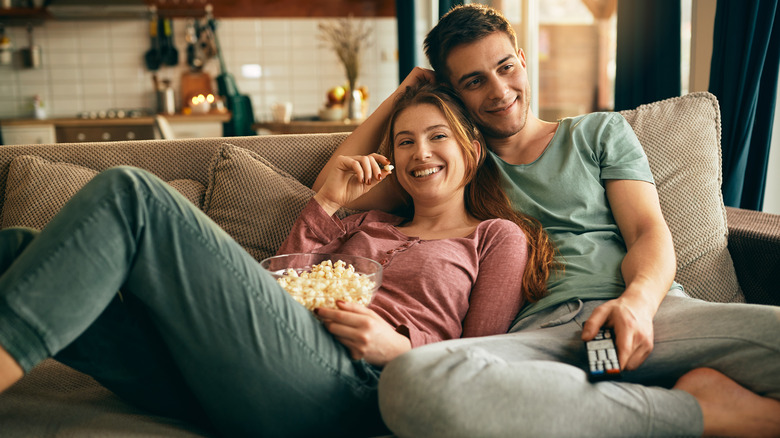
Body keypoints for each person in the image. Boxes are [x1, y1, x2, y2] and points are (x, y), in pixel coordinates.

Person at [314, 4, 780, 437]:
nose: (499, 91)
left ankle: (597, 407)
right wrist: (410, 90)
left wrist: (636, 305)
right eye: (474, 82)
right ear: (453, 94)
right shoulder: (452, 163)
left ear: (521, 58)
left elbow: (648, 232)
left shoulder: (599, 132)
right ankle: (699, 412)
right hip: (536, 340)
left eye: (505, 67)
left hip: (650, 313)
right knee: (409, 383)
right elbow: (336, 182)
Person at [0, 82, 556, 437]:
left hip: (348, 389)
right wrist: (330, 202)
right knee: (17, 247)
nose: (421, 153)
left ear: (472, 149)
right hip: (246, 371)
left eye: (438, 137)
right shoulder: (367, 223)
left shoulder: (496, 237)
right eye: (405, 141)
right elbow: (288, 276)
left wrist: (400, 350)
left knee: (133, 195)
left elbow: (489, 359)